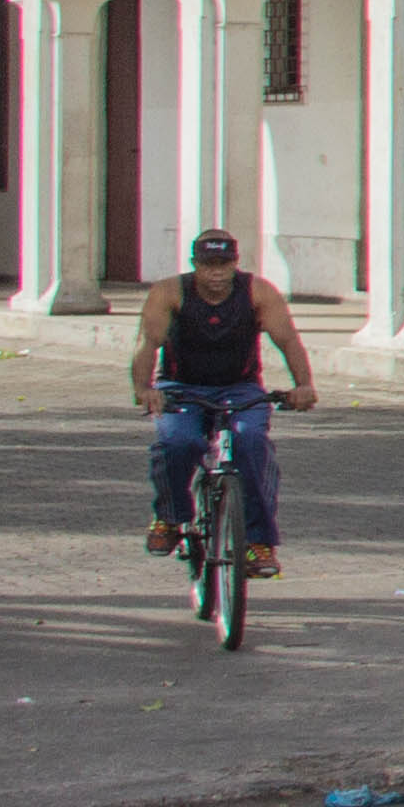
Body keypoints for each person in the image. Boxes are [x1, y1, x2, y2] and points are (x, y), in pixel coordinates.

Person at [134, 228, 318, 574]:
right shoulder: (170, 292)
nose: (217, 272)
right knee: (178, 442)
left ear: (236, 263)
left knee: (251, 443)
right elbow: (148, 343)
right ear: (195, 265)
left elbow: (288, 340)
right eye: (208, 264)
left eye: (224, 263)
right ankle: (170, 518)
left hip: (240, 387)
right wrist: (144, 389)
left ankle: (258, 543)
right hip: (182, 386)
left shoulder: (258, 292)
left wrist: (303, 385)